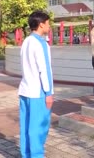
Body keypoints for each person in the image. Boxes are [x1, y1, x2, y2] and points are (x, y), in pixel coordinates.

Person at [18, 11, 54, 158]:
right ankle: (37, 155)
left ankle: (26, 154)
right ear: (41, 25)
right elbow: (45, 70)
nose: (49, 26)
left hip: (25, 90)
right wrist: (49, 93)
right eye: (48, 23)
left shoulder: (26, 41)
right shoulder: (41, 43)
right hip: (38, 92)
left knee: (26, 126)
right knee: (39, 127)